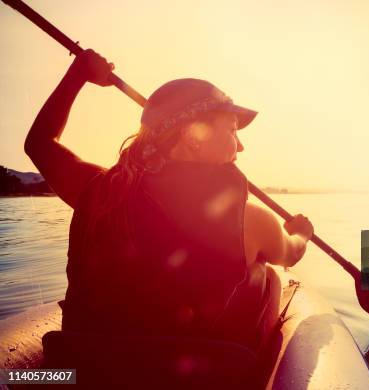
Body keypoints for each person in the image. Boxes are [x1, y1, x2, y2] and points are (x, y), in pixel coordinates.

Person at [24, 49, 314, 352]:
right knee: (265, 276)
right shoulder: (251, 221)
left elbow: (39, 144)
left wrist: (77, 75)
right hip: (179, 377)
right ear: (193, 136)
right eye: (231, 130)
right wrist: (302, 232)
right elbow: (291, 254)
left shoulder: (100, 189)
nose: (240, 146)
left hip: (83, 372)